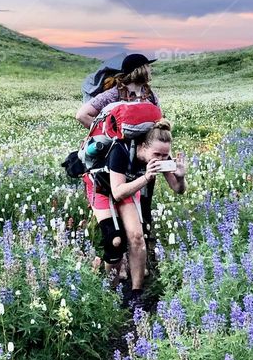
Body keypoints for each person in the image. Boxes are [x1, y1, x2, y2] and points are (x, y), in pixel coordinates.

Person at [83, 118, 186, 310]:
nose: (162, 159)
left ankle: (136, 293)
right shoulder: (120, 150)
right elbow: (117, 192)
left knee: (137, 237)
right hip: (101, 186)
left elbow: (178, 189)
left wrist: (180, 177)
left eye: (166, 155)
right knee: (115, 240)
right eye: (157, 154)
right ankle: (111, 294)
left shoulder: (162, 155)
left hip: (128, 187)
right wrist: (147, 177)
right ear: (143, 146)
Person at [76, 52, 162, 271]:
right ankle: (113, 262)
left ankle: (137, 263)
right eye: (147, 68)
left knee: (142, 210)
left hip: (141, 160)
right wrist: (109, 137)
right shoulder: (114, 93)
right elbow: (83, 115)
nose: (150, 72)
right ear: (141, 70)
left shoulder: (150, 95)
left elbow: (157, 122)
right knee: (115, 211)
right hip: (114, 160)